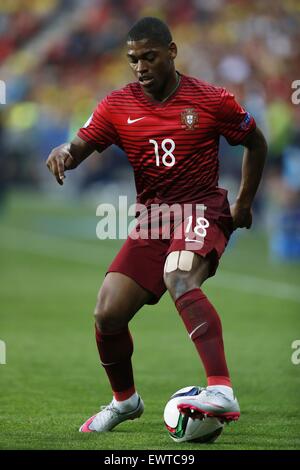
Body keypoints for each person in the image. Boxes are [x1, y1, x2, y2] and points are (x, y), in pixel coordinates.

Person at [46, 17, 267, 433]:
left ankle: (221, 389)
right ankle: (125, 401)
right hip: (153, 219)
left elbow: (256, 142)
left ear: (171, 52)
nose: (141, 66)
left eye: (149, 56)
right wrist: (64, 152)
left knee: (179, 276)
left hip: (203, 209)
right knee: (107, 313)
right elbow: (81, 144)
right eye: (133, 59)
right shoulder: (118, 105)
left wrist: (243, 202)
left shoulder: (211, 100)